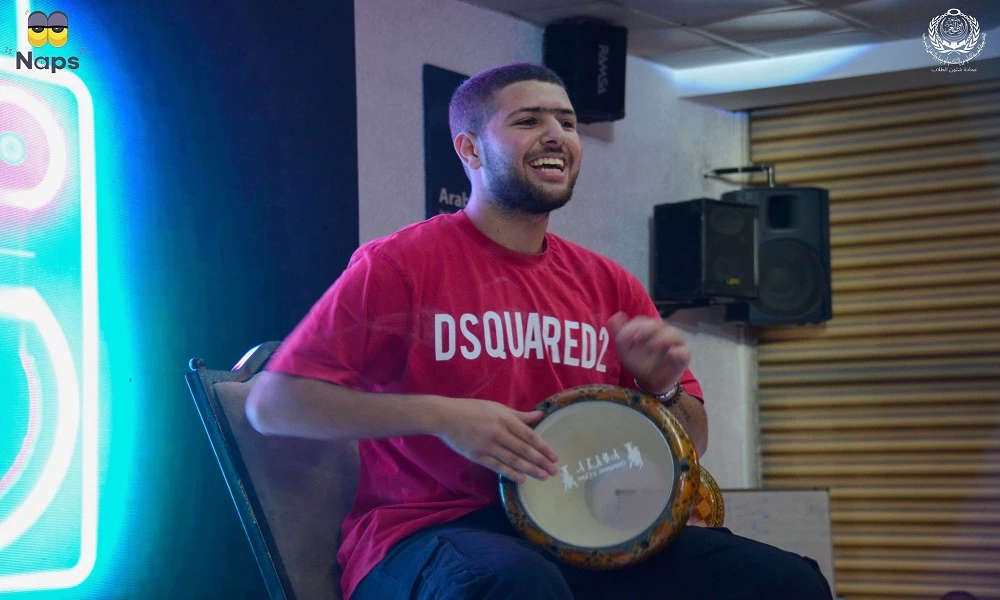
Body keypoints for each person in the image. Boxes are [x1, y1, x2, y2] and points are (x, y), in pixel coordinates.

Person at [246, 63, 832, 600]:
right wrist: (443, 416)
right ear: (469, 149)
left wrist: (663, 388)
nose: (557, 135)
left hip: (585, 537)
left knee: (784, 580)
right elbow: (274, 404)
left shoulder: (611, 284)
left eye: (568, 123)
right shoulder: (399, 264)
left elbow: (693, 443)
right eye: (528, 121)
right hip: (428, 534)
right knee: (517, 583)